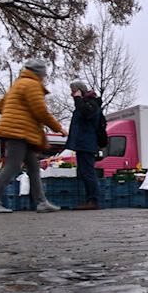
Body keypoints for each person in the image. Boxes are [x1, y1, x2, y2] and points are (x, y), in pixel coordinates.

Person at [0, 58, 67, 213]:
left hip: (19, 131)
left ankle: (42, 202)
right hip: (18, 132)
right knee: (13, 165)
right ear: (40, 73)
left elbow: (0, 106)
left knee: (34, 166)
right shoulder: (32, 85)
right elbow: (40, 111)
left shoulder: (18, 84)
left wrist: (14, 114)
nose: (44, 77)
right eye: (44, 74)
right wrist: (59, 128)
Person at [66, 80, 104, 210]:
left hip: (87, 143)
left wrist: (78, 98)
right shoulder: (85, 104)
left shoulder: (91, 104)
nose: (72, 94)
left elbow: (85, 113)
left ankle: (93, 200)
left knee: (88, 172)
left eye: (74, 91)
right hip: (82, 143)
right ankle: (89, 199)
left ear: (80, 91)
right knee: (84, 172)